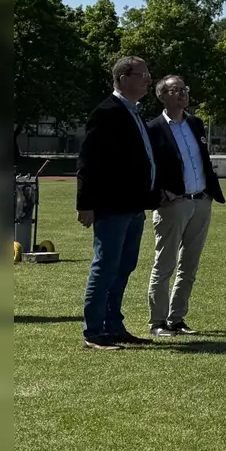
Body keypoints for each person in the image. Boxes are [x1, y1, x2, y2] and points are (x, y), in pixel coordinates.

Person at [76, 57, 161, 350]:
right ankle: (93, 332)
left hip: (133, 205)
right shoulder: (106, 113)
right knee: (106, 266)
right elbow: (88, 162)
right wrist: (84, 204)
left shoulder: (133, 113)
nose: (148, 81)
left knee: (123, 266)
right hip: (112, 206)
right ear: (123, 77)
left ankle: (113, 326)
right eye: (143, 76)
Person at [145, 75, 226, 339]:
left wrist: (209, 193)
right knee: (165, 265)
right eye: (175, 90)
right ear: (162, 96)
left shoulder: (195, 123)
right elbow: (147, 167)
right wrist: (159, 194)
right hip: (173, 205)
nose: (182, 94)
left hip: (201, 201)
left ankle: (176, 319)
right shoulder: (153, 128)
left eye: (184, 89)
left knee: (189, 266)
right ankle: (157, 322)